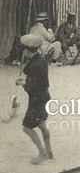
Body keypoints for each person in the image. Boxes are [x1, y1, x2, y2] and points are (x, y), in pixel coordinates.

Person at [16, 34, 53, 165]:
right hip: (44, 97)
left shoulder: (34, 65)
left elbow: (34, 85)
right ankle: (49, 152)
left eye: (23, 49)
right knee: (42, 124)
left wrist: (23, 84)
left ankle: (42, 153)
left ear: (27, 50)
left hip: (37, 99)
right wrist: (26, 81)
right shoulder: (39, 60)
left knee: (27, 127)